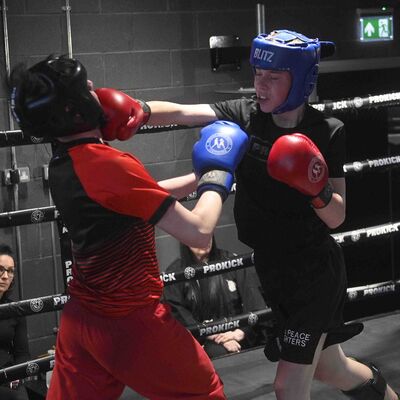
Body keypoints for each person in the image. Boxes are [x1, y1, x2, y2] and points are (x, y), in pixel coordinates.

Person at [146, 30, 399, 400]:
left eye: (273, 78)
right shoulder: (244, 116)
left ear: (299, 82)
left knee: (287, 387)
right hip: (273, 270)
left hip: (313, 274)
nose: (260, 86)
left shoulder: (327, 131)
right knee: (333, 368)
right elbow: (185, 112)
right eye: (257, 75)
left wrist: (315, 187)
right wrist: (135, 111)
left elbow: (337, 217)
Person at [9, 55, 249, 400]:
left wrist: (198, 178)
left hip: (82, 320)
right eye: (84, 87)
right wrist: (219, 173)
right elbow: (198, 231)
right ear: (75, 109)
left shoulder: (66, 161)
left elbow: (135, 198)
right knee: (205, 394)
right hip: (131, 322)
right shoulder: (108, 165)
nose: (94, 88)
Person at [163, 236, 267, 358]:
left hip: (241, 333)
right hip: (203, 339)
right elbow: (178, 313)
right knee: (216, 351)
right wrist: (215, 335)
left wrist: (239, 333)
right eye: (196, 237)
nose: (203, 241)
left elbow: (254, 301)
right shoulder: (176, 272)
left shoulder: (232, 261)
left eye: (206, 236)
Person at [0, 244, 30, 400]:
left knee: (19, 397)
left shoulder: (15, 310)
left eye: (10, 271)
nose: (5, 276)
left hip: (7, 376)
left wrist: (16, 375)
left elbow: (22, 353)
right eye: (0, 269)